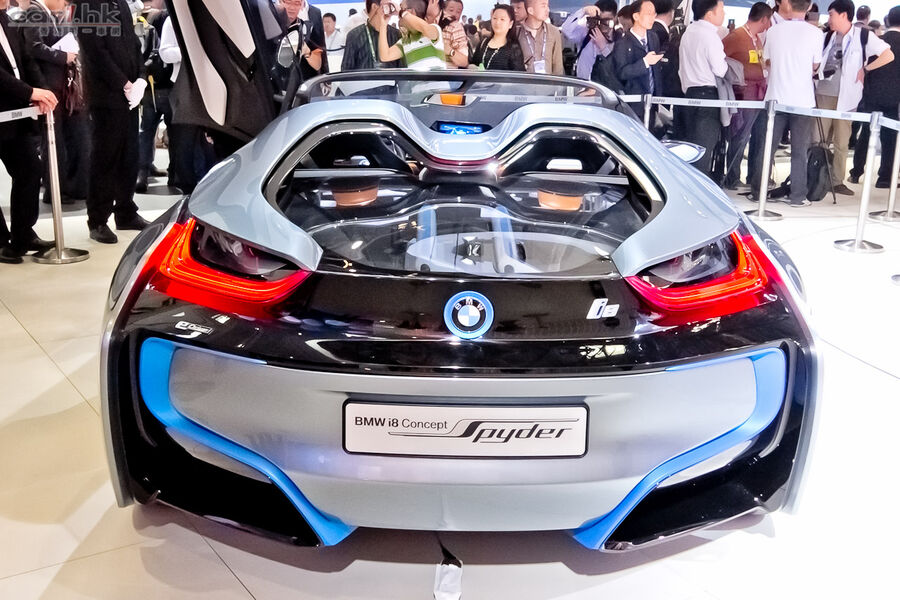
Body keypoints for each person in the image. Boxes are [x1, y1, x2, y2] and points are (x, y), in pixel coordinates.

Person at [77, 0, 149, 243]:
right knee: (105, 158)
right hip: (106, 95)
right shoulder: (88, 5)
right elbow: (95, 52)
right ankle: (98, 219)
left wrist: (141, 78)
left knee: (130, 155)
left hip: (130, 95)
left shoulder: (120, 3)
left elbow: (134, 43)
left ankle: (126, 211)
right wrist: (124, 83)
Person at [816, 0, 893, 195]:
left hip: (848, 97)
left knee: (842, 142)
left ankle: (837, 181)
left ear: (843, 15)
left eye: (831, 14)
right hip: (823, 93)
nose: (829, 18)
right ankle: (815, 177)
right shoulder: (826, 36)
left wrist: (866, 69)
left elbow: (888, 55)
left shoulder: (863, 36)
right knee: (818, 139)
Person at [0, 0, 57, 263]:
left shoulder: (8, 20)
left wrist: (42, 91)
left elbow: (26, 61)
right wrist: (30, 92)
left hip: (16, 112)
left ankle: (23, 234)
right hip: (8, 104)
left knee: (30, 170)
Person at [754, 0, 823, 206]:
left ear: (789, 6)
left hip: (775, 97)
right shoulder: (816, 33)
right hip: (802, 100)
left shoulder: (774, 31)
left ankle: (758, 191)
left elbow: (766, 61)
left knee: (767, 148)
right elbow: (816, 65)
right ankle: (797, 196)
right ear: (809, 7)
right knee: (799, 150)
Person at [20, 0, 78, 204]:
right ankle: (53, 190)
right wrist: (63, 56)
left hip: (57, 85)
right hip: (46, 85)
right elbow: (33, 48)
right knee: (52, 141)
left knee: (60, 140)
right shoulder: (34, 13)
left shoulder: (49, 15)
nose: (64, 4)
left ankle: (61, 187)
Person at [722, 1, 772, 189]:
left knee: (758, 135)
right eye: (769, 21)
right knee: (741, 135)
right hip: (745, 93)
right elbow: (720, 57)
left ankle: (754, 177)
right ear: (764, 19)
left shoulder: (756, 38)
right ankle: (732, 177)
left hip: (760, 93)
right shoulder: (736, 36)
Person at [850, 6, 900, 187]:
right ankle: (885, 177)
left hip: (872, 94)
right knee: (890, 137)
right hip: (894, 97)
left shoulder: (878, 41)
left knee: (866, 132)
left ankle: (856, 173)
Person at [678, 0, 728, 177]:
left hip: (689, 95)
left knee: (691, 148)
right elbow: (720, 70)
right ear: (709, 13)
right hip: (707, 97)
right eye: (721, 9)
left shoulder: (688, 32)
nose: (724, 13)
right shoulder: (710, 36)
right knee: (703, 150)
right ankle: (698, 189)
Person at [612, 0, 663, 108]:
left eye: (654, 14)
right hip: (633, 102)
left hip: (653, 101)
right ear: (636, 16)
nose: (652, 18)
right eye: (649, 14)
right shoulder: (623, 43)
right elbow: (622, 73)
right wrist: (645, 62)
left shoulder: (653, 37)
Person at [376, 0, 446, 71]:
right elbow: (385, 56)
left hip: (436, 78)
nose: (398, 16)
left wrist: (401, 12)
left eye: (402, 8)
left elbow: (425, 28)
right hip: (416, 78)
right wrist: (383, 25)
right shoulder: (405, 41)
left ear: (411, 12)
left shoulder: (435, 29)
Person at [560, 0, 618, 81]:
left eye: (607, 20)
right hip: (583, 84)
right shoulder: (586, 32)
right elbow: (566, 30)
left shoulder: (619, 39)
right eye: (600, 20)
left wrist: (603, 48)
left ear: (615, 18)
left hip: (605, 86)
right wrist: (583, 11)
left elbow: (617, 68)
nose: (603, 24)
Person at [341, 0, 402, 71]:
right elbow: (346, 69)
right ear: (374, 6)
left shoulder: (396, 34)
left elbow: (403, 69)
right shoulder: (355, 35)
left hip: (392, 78)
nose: (390, 8)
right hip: (363, 77)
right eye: (387, 5)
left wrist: (400, 12)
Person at [278, 0, 327, 81]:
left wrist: (306, 51)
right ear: (279, 2)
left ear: (301, 5)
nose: (292, 7)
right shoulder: (268, 26)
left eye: (297, 3)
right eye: (288, 2)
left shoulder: (307, 29)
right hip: (275, 82)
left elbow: (318, 64)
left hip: (303, 81)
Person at [472, 3, 525, 70]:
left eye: (502, 19)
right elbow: (472, 63)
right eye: (494, 18)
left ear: (510, 24)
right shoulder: (483, 43)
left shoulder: (513, 48)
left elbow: (519, 73)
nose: (497, 22)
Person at [517, 0, 564, 74]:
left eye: (547, 6)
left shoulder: (553, 32)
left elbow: (558, 66)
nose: (547, 9)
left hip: (548, 80)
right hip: (524, 80)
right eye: (543, 6)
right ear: (531, 11)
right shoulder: (517, 32)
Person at [441, 0, 470, 67]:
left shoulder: (456, 27)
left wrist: (449, 50)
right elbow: (464, 62)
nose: (454, 14)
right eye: (451, 10)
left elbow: (464, 61)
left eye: (458, 12)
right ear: (443, 10)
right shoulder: (456, 26)